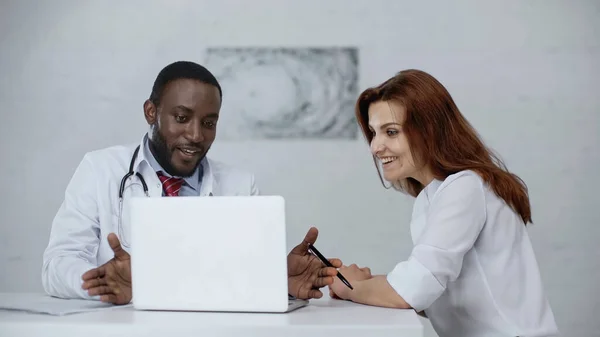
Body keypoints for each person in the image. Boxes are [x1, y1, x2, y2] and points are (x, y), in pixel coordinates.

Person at [42, 60, 342, 305]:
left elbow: (243, 276)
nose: (196, 135)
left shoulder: (240, 185)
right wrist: (101, 282)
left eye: (209, 123)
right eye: (182, 118)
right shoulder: (101, 169)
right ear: (151, 112)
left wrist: (279, 281)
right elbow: (58, 264)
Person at [328, 69, 559, 336]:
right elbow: (432, 293)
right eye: (373, 133)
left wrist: (351, 286)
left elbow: (413, 291)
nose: (375, 147)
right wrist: (369, 284)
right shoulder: (433, 197)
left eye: (391, 132)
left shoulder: (466, 187)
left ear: (429, 132)